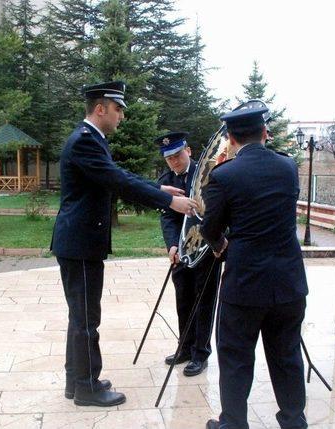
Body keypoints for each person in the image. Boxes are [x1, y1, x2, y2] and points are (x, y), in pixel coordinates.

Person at [50, 80, 197, 407]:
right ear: (100, 108)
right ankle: (86, 387)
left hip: (78, 242)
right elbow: (117, 180)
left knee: (81, 317)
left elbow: (115, 174)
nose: (122, 117)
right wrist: (167, 201)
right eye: (118, 109)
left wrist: (161, 191)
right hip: (80, 244)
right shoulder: (86, 141)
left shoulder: (90, 140)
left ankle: (77, 381)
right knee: (87, 318)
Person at [200, 106, 309, 429]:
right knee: (287, 357)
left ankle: (233, 424)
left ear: (231, 139)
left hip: (245, 286)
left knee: (235, 360)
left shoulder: (224, 175)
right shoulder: (289, 167)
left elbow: (209, 228)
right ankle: (293, 422)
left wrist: (221, 246)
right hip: (288, 284)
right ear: (265, 133)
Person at [155, 131, 221, 376]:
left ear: (189, 151)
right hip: (181, 252)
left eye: (177, 155)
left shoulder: (205, 176)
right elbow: (167, 218)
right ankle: (184, 347)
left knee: (203, 301)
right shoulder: (167, 179)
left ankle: (200, 353)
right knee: (183, 299)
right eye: (168, 158)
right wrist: (172, 245)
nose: (174, 161)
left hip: (206, 250)